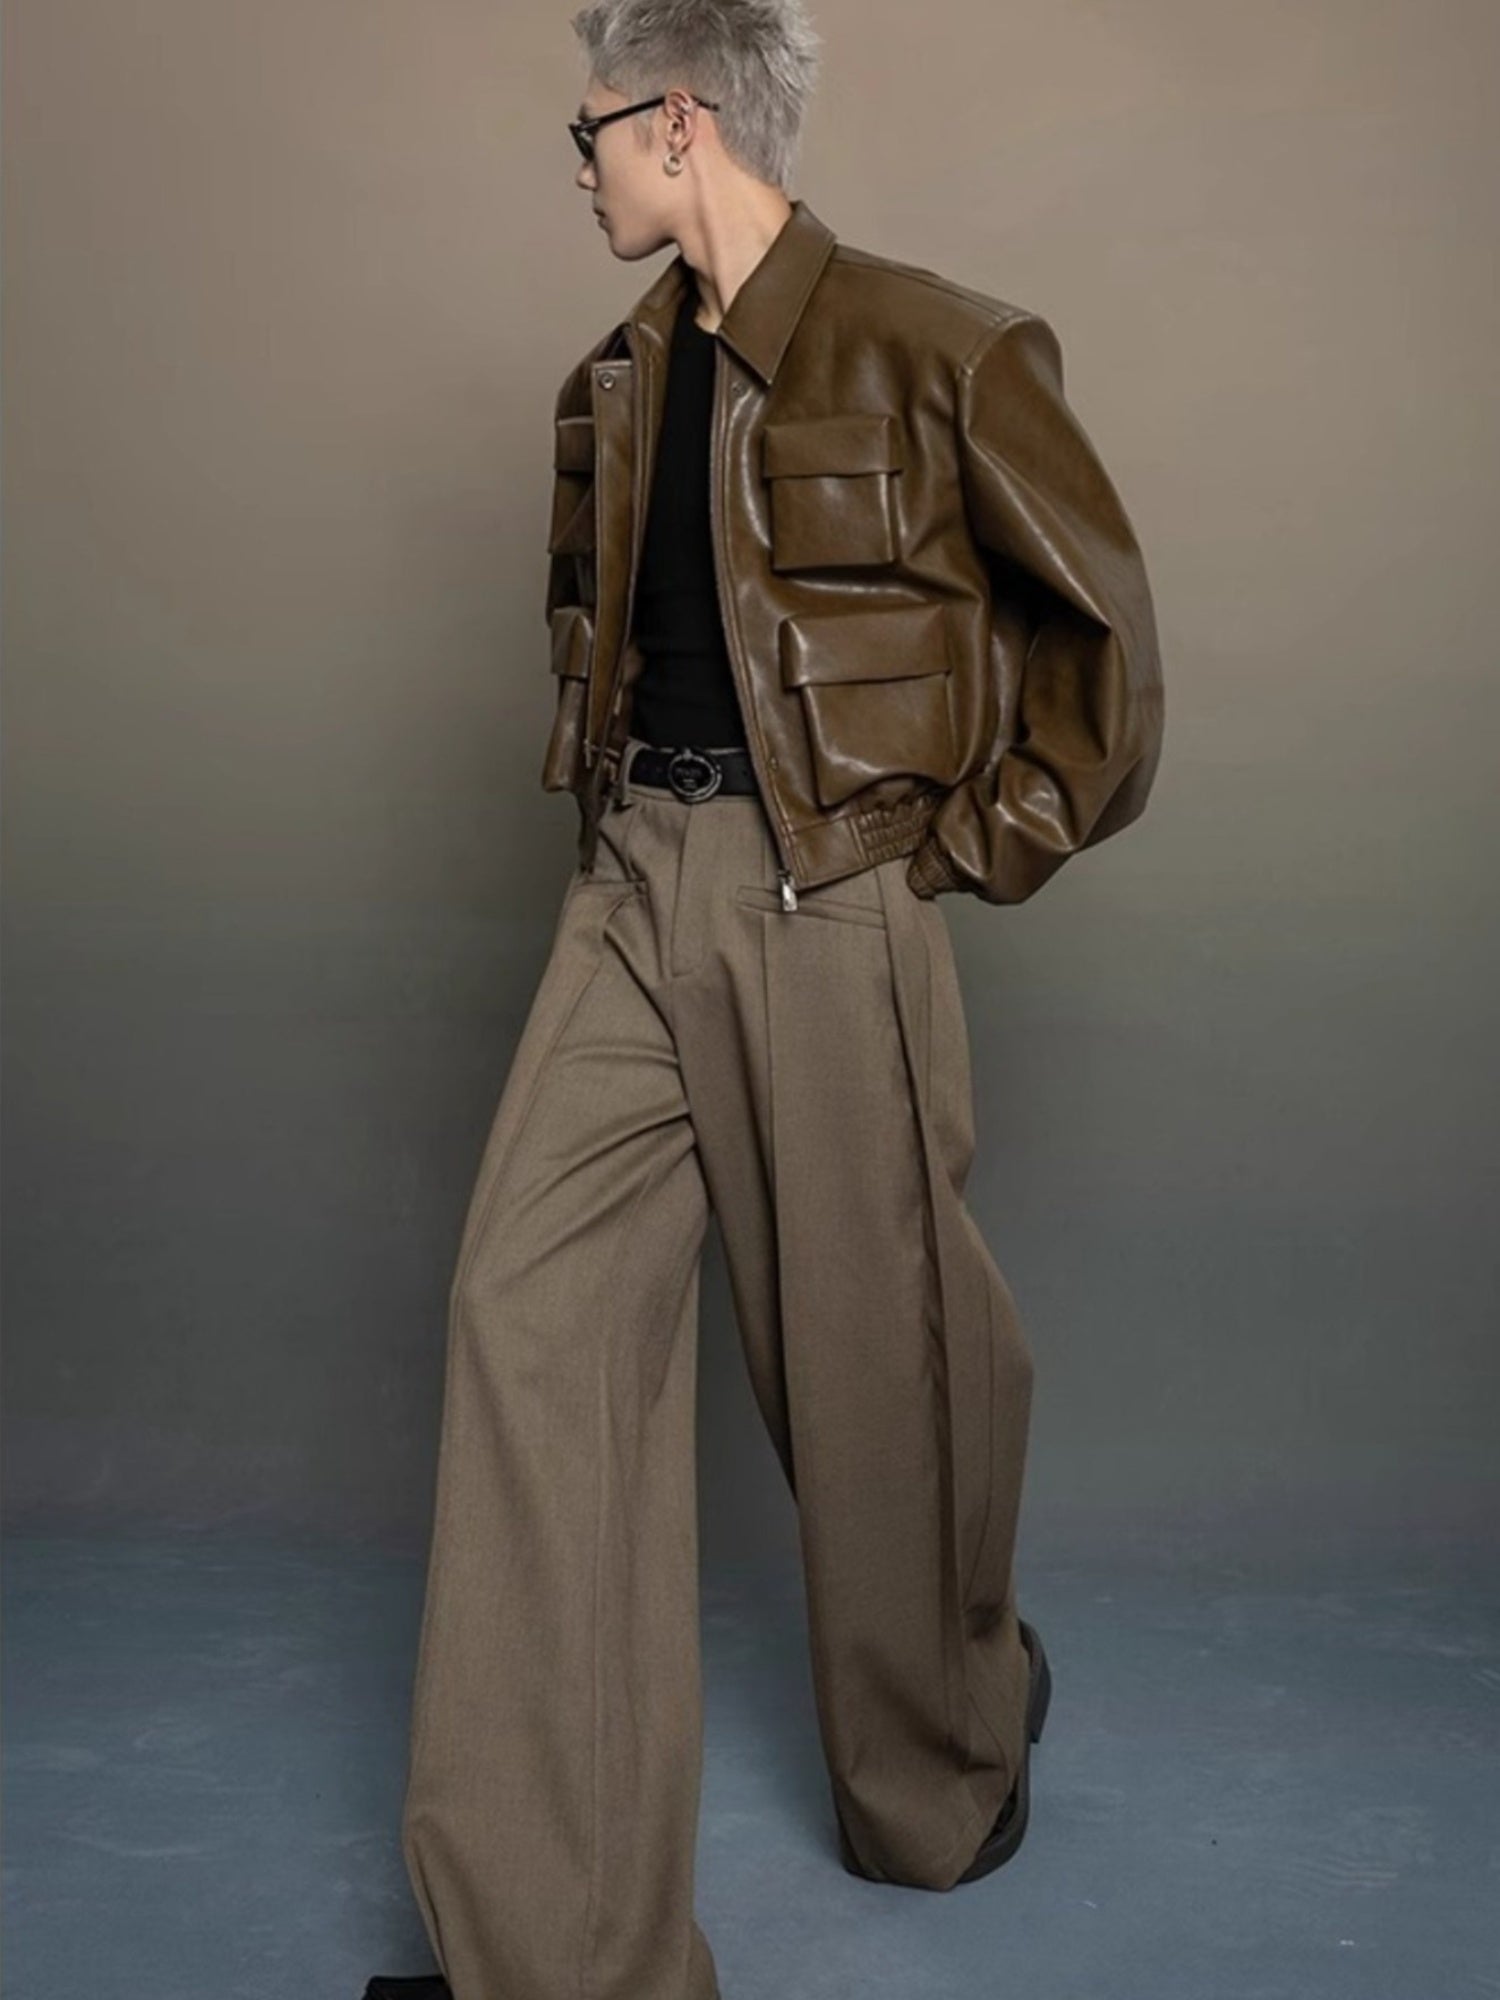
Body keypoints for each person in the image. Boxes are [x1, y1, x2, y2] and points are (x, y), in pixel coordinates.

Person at [365, 2, 1163, 1995]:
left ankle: (950, 1747)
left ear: (679, 119)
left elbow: (1109, 665)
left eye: (588, 131)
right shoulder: (613, 379)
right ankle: (560, 1954)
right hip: (631, 885)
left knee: (873, 1372)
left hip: (826, 897)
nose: (575, 168)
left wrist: (945, 856)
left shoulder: (939, 348)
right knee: (525, 1325)